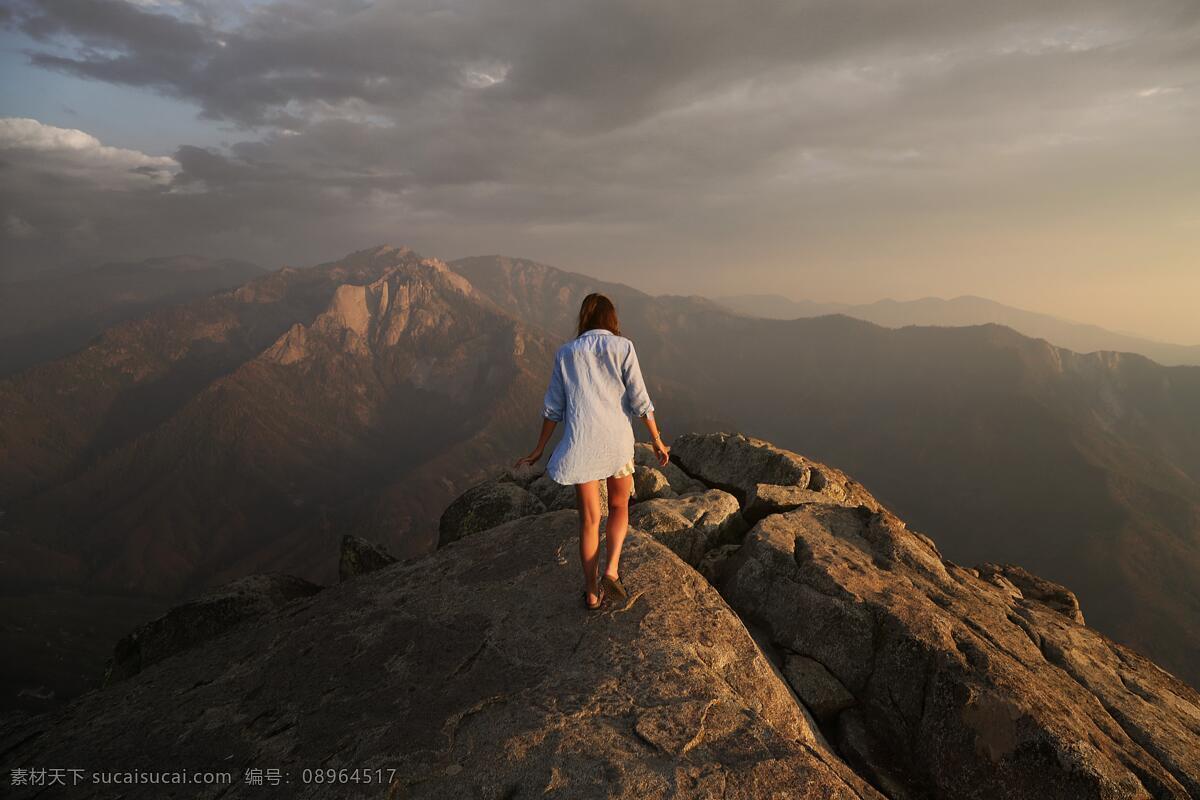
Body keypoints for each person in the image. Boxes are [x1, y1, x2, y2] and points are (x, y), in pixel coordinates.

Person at [515, 292, 670, 610]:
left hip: (581, 442)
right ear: (612, 320)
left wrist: (539, 448)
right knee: (619, 508)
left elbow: (553, 409)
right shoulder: (623, 347)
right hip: (617, 444)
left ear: (583, 320)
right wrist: (656, 439)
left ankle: (591, 592)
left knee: (589, 520)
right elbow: (641, 400)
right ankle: (611, 570)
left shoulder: (566, 353)